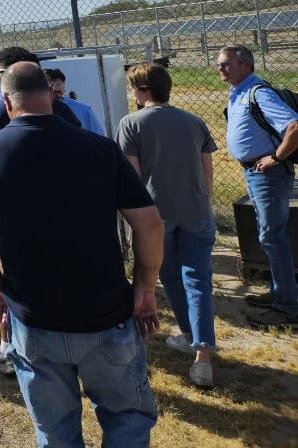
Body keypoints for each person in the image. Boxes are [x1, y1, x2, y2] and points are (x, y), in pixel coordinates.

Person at [0, 62, 164, 448]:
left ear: (6, 101)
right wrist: (145, 286)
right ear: (50, 94)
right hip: (106, 314)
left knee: (56, 431)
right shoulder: (99, 148)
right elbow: (149, 223)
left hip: (33, 320)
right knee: (127, 420)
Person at [0, 47, 82, 375]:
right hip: (65, 216)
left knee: (12, 283)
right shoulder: (65, 113)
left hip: (16, 221)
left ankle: (10, 348)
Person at [116, 63, 218, 387]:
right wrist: (201, 205)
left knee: (169, 274)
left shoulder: (130, 124)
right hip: (197, 212)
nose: (132, 93)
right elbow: (208, 175)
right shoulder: (195, 121)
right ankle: (202, 356)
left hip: (154, 218)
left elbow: (131, 181)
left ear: (144, 91)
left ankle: (189, 335)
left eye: (134, 87)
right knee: (198, 279)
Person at [217, 44, 298, 329]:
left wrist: (276, 157)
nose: (220, 69)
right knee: (269, 236)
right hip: (255, 173)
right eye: (220, 64)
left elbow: (294, 126)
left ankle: (288, 307)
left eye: (227, 64)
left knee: (272, 237)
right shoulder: (239, 92)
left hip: (268, 175)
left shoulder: (259, 92)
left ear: (246, 65)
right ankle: (281, 293)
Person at [44, 68, 105, 135]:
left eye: (59, 84)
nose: (55, 88)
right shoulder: (40, 112)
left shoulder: (83, 110)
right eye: (51, 85)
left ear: (64, 85)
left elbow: (99, 136)